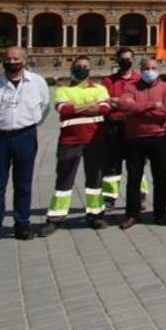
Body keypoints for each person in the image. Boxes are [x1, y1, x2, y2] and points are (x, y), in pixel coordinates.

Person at [0, 46, 49, 246]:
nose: (12, 62)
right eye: (8, 58)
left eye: (16, 58)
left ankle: (22, 225)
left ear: (25, 60)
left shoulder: (37, 82)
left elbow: (44, 107)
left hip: (25, 135)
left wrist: (27, 124)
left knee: (23, 184)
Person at [40, 55, 109, 237]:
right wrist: (89, 105)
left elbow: (103, 108)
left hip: (95, 140)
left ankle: (95, 214)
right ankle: (55, 218)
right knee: (64, 180)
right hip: (70, 141)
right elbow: (63, 109)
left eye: (85, 66)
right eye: (79, 66)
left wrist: (77, 107)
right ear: (72, 68)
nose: (82, 69)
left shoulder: (100, 88)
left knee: (95, 180)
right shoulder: (63, 90)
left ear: (90, 69)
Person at [117, 56, 166, 229]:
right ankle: (132, 214)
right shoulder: (131, 86)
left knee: (160, 178)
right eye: (146, 68)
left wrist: (139, 109)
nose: (149, 71)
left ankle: (160, 214)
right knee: (133, 179)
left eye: (153, 68)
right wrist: (152, 105)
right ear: (140, 70)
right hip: (135, 138)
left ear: (158, 69)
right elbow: (125, 106)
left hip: (158, 138)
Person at [101, 47, 144, 212]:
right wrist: (127, 103)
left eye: (128, 58)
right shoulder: (108, 81)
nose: (125, 61)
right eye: (122, 58)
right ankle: (110, 198)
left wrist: (118, 102)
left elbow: (141, 102)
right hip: (113, 126)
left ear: (133, 60)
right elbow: (105, 102)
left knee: (137, 163)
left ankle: (139, 196)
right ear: (117, 60)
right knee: (112, 164)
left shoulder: (139, 79)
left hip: (134, 126)